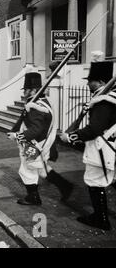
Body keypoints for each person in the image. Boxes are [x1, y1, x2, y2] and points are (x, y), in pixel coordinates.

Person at [60, 61, 115, 230]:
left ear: (100, 82)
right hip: (111, 146)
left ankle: (101, 219)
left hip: (101, 149)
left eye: (90, 80)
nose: (87, 83)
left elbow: (94, 129)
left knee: (94, 182)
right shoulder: (109, 99)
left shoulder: (103, 101)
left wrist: (70, 137)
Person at [8, 72, 73, 206]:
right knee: (41, 168)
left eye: (26, 89)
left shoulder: (36, 107)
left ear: (33, 90)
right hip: (38, 143)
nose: (24, 92)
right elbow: (24, 119)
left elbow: (35, 130)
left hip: (35, 144)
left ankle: (34, 198)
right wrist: (14, 130)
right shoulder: (39, 103)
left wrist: (17, 136)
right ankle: (65, 186)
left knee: (27, 169)